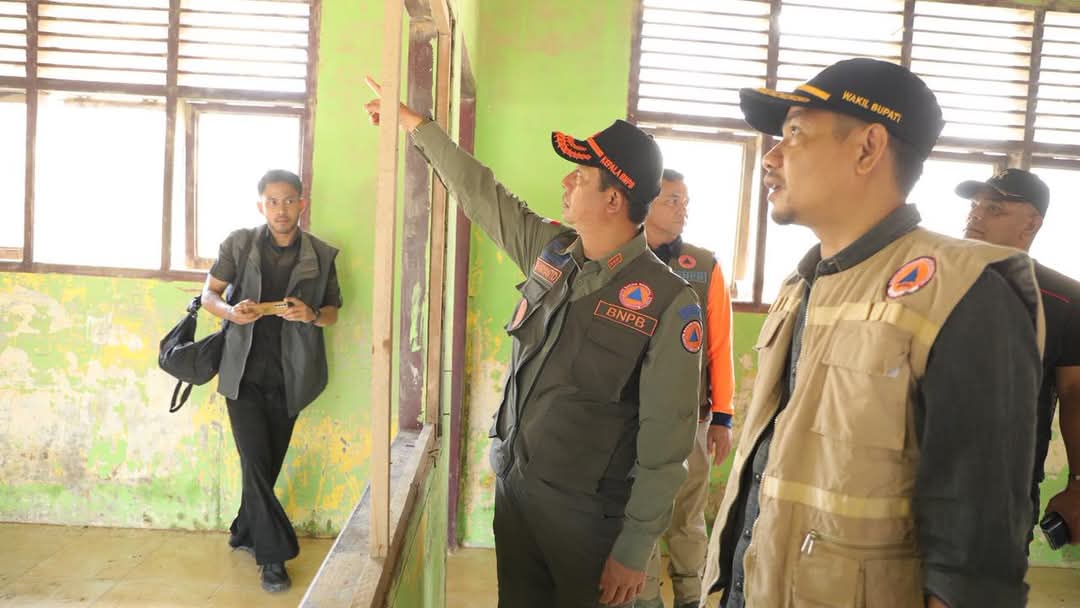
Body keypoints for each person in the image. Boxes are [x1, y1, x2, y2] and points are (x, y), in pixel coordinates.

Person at [700, 58, 1043, 608]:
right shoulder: (802, 285)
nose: (771, 156)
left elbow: (973, 555)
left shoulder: (964, 291)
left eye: (795, 133)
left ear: (867, 148)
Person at [365, 78, 703, 607]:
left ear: (613, 198)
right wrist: (416, 127)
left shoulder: (668, 302)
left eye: (581, 176)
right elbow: (483, 196)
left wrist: (635, 549)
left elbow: (667, 446)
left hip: (592, 524)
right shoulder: (553, 253)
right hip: (520, 497)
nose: (567, 181)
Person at [200, 169, 341, 593]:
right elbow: (209, 295)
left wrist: (309, 314)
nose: (281, 209)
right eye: (273, 201)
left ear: (302, 204)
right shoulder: (240, 244)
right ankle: (273, 556)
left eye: (289, 200)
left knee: (265, 465)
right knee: (256, 462)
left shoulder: (321, 254)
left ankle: (244, 528)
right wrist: (230, 312)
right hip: (241, 374)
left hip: (291, 376)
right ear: (260, 205)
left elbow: (332, 312)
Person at [956, 169, 1080, 546]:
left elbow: (1074, 393)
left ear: (1031, 224)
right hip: (908, 479)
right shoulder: (929, 281)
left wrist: (1078, 483)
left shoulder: (1063, 300)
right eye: (975, 205)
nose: (976, 214)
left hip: (1001, 491)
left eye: (994, 208)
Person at [637, 169, 735, 608]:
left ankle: (690, 598)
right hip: (633, 420)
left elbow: (720, 346)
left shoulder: (704, 266)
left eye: (685, 201)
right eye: (672, 200)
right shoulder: (623, 257)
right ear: (647, 205)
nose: (683, 210)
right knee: (639, 517)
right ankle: (644, 600)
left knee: (688, 519)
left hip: (691, 421)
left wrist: (723, 417)